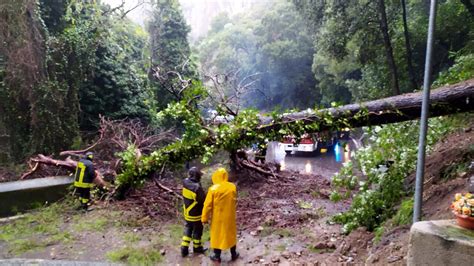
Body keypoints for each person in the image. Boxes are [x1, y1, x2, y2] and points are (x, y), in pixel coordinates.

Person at [202, 168, 239, 262]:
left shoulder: (213, 189)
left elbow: (207, 205)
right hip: (230, 216)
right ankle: (234, 254)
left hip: (218, 217)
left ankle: (217, 256)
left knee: (217, 235)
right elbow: (234, 200)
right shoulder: (232, 187)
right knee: (231, 234)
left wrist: (204, 218)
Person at [181, 167, 206, 257]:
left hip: (187, 212)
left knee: (188, 228)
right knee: (197, 230)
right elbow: (203, 200)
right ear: (197, 176)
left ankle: (184, 248)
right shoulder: (197, 188)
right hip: (196, 214)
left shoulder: (185, 182)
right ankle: (197, 247)